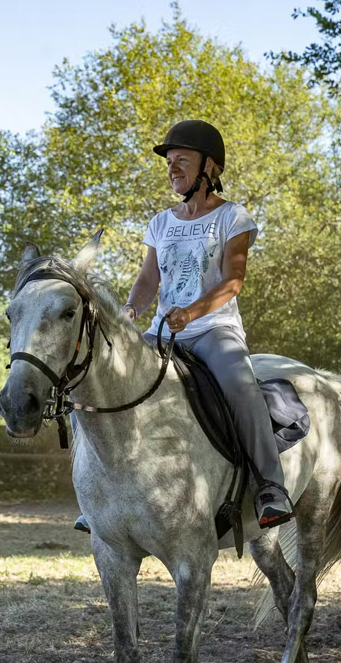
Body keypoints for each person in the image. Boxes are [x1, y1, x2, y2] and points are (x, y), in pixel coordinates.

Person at [123, 120, 294, 528]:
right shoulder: (160, 223)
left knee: (240, 386)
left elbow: (233, 281)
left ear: (210, 167)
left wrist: (191, 313)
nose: (172, 168)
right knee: (110, 376)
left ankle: (270, 487)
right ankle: (106, 489)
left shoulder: (233, 216)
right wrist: (130, 310)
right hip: (162, 333)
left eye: (182, 160)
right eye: (169, 161)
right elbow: (148, 280)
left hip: (214, 330)